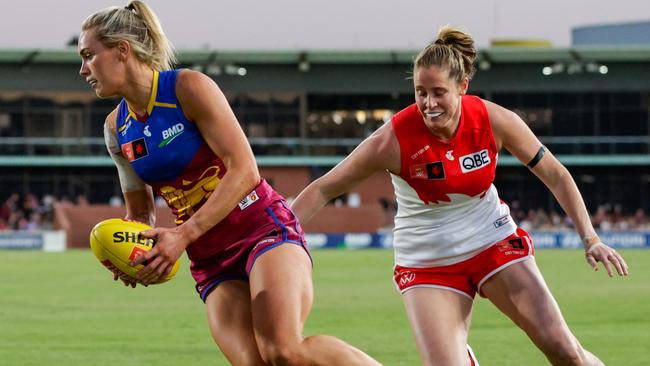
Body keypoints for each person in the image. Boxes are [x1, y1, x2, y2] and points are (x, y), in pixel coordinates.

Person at [290, 25, 629, 366]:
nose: (428, 103)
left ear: (463, 86)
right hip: (427, 260)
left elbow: (555, 174)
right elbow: (324, 188)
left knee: (565, 350)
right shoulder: (391, 140)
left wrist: (590, 237)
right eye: (420, 92)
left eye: (438, 92)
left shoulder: (495, 120)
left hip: (492, 240)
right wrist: (274, 242)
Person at [78, 2, 381, 365]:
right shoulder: (116, 129)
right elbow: (140, 214)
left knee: (282, 351)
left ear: (122, 50)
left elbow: (245, 170)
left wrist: (183, 235)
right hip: (210, 259)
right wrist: (133, 254)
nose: (83, 69)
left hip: (262, 230)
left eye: (89, 56)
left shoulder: (187, 88)